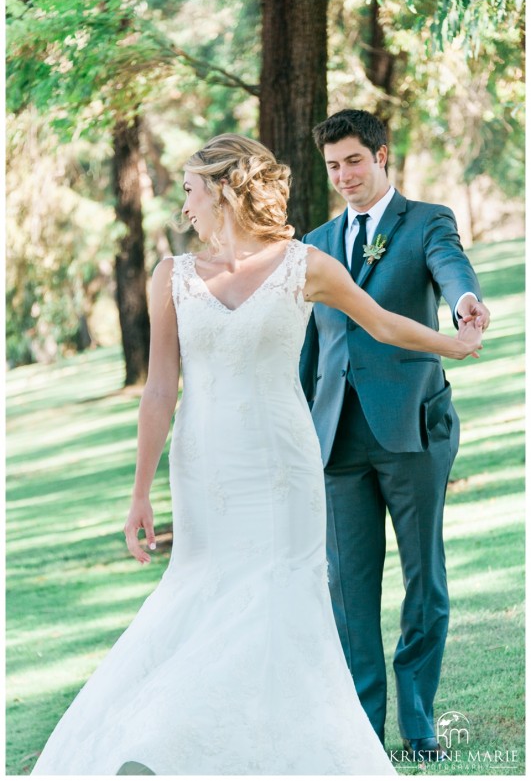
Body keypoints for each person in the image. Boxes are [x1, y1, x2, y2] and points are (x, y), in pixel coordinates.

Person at [32, 133, 482, 776]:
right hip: (205, 465)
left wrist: (454, 344)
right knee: (202, 593)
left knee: (282, 601)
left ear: (221, 188)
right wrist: (139, 493)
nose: (182, 204)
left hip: (284, 465)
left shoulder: (305, 265)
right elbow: (160, 391)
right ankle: (174, 740)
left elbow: (381, 321)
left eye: (189, 188)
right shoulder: (172, 276)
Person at [299, 109, 491, 761]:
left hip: (411, 427)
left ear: (382, 156)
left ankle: (417, 722)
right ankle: (361, 729)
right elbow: (311, 346)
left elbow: (451, 270)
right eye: (332, 166)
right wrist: (299, 428)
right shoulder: (317, 241)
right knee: (347, 590)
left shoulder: (425, 221)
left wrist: (466, 302)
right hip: (336, 440)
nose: (344, 175)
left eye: (353, 160)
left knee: (422, 577)